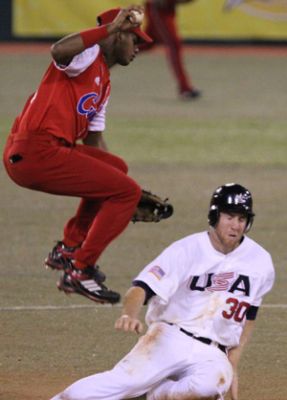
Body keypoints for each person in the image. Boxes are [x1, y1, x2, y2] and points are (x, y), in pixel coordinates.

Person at [50, 183, 275, 400]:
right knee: (125, 382)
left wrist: (232, 365)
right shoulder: (186, 250)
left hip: (213, 353)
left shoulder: (260, 262)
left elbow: (249, 315)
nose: (236, 225)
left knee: (210, 387)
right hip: (171, 337)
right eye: (229, 217)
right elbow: (142, 288)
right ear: (215, 217)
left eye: (242, 218)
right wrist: (129, 314)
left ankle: (151, 395)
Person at [2, 6, 153, 305]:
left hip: (49, 152)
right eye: (134, 40)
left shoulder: (104, 82)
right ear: (118, 33)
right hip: (36, 150)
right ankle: (80, 270)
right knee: (125, 191)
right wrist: (126, 194)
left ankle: (69, 248)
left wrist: (119, 185)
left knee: (119, 172)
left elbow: (94, 142)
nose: (138, 48)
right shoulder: (86, 56)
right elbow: (58, 50)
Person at [143, 0, 201, 100]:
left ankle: (111, 54)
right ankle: (185, 88)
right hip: (159, 8)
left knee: (146, 44)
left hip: (166, 8)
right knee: (173, 45)